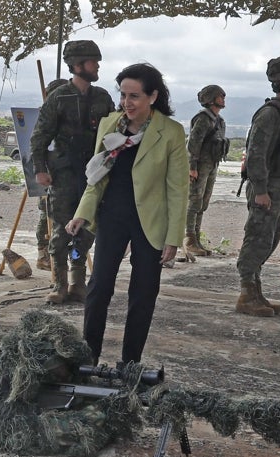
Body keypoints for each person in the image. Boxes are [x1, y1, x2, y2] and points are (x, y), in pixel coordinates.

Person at [65, 63, 188, 366]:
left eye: (134, 96)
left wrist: (174, 237)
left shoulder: (170, 132)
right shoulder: (111, 125)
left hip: (151, 223)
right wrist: (82, 213)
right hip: (113, 216)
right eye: (123, 95)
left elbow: (177, 189)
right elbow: (97, 176)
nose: (126, 103)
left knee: (143, 294)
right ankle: (89, 358)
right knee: (98, 288)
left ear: (153, 96)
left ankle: (130, 364)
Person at [30, 41, 115, 305]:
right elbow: (39, 137)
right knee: (62, 229)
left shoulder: (102, 97)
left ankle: (78, 283)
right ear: (77, 65)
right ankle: (60, 284)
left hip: (93, 174)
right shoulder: (58, 98)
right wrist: (40, 170)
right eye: (93, 62)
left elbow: (114, 132)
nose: (97, 66)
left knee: (86, 230)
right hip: (64, 173)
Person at [235, 55, 280, 317]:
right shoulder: (270, 114)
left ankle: (255, 292)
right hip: (268, 187)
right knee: (257, 239)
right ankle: (246, 294)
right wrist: (261, 190)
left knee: (269, 241)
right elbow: (256, 154)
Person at [182, 84, 229, 261]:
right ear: (210, 99)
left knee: (203, 203)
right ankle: (189, 239)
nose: (223, 98)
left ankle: (196, 239)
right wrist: (192, 167)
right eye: (220, 96)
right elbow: (193, 144)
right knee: (194, 201)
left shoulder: (218, 120)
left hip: (211, 165)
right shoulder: (203, 119)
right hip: (200, 166)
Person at [33, 77, 70, 272]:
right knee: (46, 213)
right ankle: (43, 253)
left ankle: (63, 254)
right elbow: (37, 145)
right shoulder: (45, 117)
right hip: (48, 172)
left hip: (67, 174)